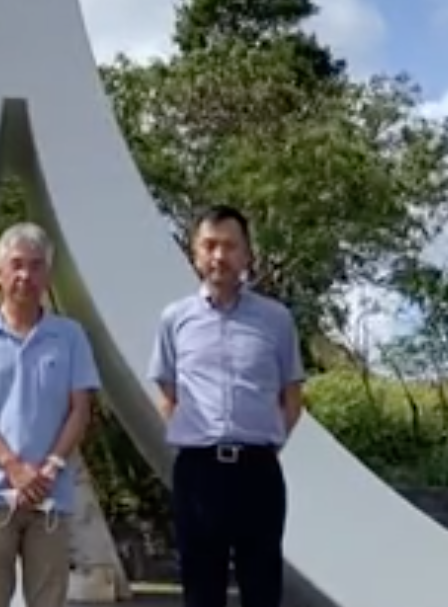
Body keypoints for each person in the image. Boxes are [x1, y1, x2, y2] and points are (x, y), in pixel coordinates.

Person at [147, 204, 305, 607]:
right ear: (195, 254)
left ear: (247, 254)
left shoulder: (276, 319)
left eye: (230, 246)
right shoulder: (175, 319)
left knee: (262, 586)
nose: (220, 256)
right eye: (210, 245)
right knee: (202, 589)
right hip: (198, 473)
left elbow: (291, 397)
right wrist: (195, 436)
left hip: (258, 472)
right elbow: (167, 393)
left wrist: (264, 440)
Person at [0, 223, 101, 607]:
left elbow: (80, 408)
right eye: (15, 265)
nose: (24, 275)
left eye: (35, 266)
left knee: (48, 599)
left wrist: (50, 466)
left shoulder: (70, 335)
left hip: (52, 496)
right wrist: (13, 466)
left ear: (47, 275)